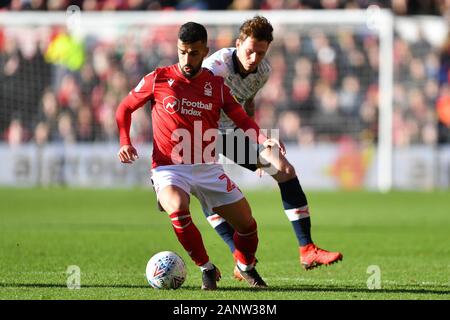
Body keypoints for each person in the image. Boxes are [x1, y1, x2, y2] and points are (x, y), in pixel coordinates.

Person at [115, 22, 283, 290]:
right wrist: (125, 141)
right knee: (178, 208)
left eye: (194, 53)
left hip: (207, 167)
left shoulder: (216, 86)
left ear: (205, 51)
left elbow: (241, 118)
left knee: (247, 225)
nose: (187, 59)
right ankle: (206, 268)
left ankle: (245, 266)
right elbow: (124, 108)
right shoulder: (158, 78)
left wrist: (264, 141)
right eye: (183, 52)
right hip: (169, 168)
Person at [201, 16, 343, 279]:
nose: (254, 58)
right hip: (198, 131)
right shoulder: (214, 67)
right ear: (238, 43)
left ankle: (307, 248)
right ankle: (240, 258)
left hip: (231, 132)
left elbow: (247, 102)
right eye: (249, 51)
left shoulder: (263, 71)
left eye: (260, 52)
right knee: (207, 190)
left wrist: (253, 144)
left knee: (283, 167)